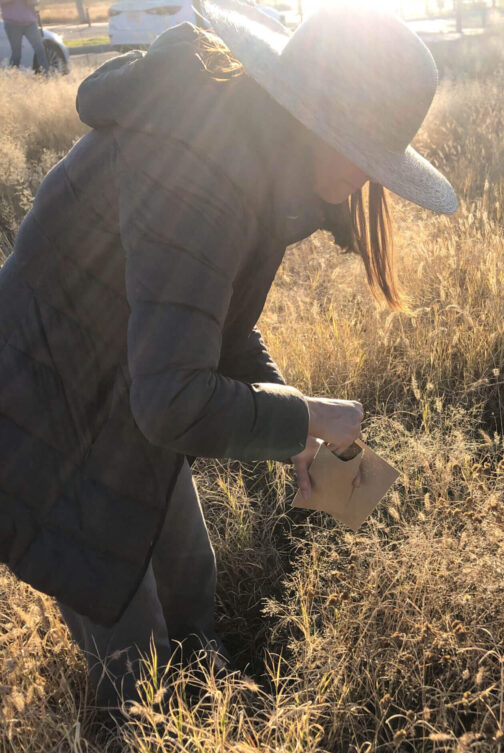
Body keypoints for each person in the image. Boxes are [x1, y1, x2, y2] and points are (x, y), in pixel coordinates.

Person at [0, 0, 457, 710]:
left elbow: (214, 326)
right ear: (308, 111)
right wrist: (305, 416)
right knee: (138, 668)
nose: (368, 179)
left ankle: (214, 704)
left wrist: (295, 425)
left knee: (191, 583)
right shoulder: (199, 165)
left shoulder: (260, 160)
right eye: (362, 150)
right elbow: (173, 401)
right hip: (40, 405)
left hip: (127, 382)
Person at [1, 0, 49, 71]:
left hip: (30, 23)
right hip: (12, 23)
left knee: (40, 49)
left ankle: (46, 76)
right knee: (16, 54)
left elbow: (36, 2)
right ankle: (14, 76)